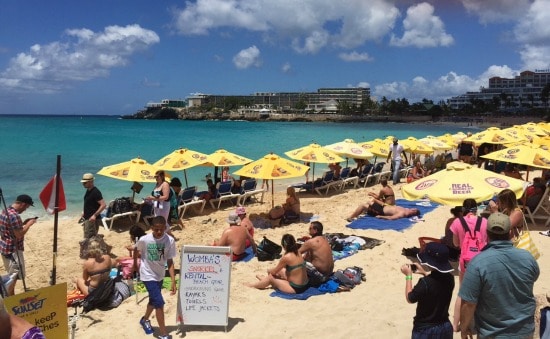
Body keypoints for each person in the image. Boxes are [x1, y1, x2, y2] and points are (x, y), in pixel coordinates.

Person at [459, 212, 539, 338]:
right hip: (525, 332)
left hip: (493, 333)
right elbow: (533, 278)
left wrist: (464, 328)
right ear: (510, 232)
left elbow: (468, 304)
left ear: (487, 233)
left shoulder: (477, 263)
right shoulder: (528, 258)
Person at [133, 216, 176, 339]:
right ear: (152, 228)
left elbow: (170, 261)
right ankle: (164, 334)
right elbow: (136, 249)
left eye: (161, 230)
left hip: (160, 275)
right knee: (159, 303)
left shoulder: (170, 241)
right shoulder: (144, 239)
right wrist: (135, 265)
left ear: (165, 228)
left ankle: (145, 320)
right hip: (147, 275)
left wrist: (173, 280)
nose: (158, 232)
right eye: (156, 229)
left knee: (153, 300)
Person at [401, 242, 455, 338]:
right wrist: (424, 273)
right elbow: (436, 284)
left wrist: (408, 276)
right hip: (445, 325)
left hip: (425, 329)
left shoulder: (425, 283)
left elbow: (410, 298)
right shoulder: (450, 278)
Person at [449, 198, 488, 332]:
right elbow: (487, 242)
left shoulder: (457, 222)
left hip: (465, 261)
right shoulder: (484, 222)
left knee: (462, 293)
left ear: (463, 209)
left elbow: (455, 244)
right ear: (476, 209)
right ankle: (477, 323)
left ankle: (455, 325)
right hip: (481, 261)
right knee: (481, 292)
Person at [0, 194, 36, 296]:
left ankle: (10, 295)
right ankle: (10, 297)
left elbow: (7, 228)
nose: (25, 210)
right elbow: (19, 235)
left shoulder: (5, 211)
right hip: (12, 250)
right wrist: (29, 224)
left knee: (12, 274)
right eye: (26, 207)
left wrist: (23, 224)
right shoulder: (14, 215)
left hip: (4, 247)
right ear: (23, 204)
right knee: (14, 276)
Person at [298, 221, 334, 286]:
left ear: (315, 230)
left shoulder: (311, 242)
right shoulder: (325, 239)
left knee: (296, 260)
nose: (308, 230)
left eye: (310, 229)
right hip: (329, 273)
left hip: (320, 276)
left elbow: (296, 253)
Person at [80, 173, 106, 239]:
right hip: (87, 218)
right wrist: (84, 211)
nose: (83, 184)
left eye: (85, 183)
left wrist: (94, 215)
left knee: (90, 238)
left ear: (90, 182)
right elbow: (89, 203)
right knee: (87, 236)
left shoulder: (95, 192)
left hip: (92, 220)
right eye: (83, 182)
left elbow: (103, 205)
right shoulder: (88, 190)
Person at [347, 199, 420, 221]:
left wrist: (381, 216)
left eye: (414, 209)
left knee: (362, 205)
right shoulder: (406, 209)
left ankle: (351, 217)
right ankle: (362, 212)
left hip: (381, 211)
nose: (413, 208)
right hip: (383, 207)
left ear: (414, 211)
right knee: (369, 202)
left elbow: (392, 218)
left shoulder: (403, 213)